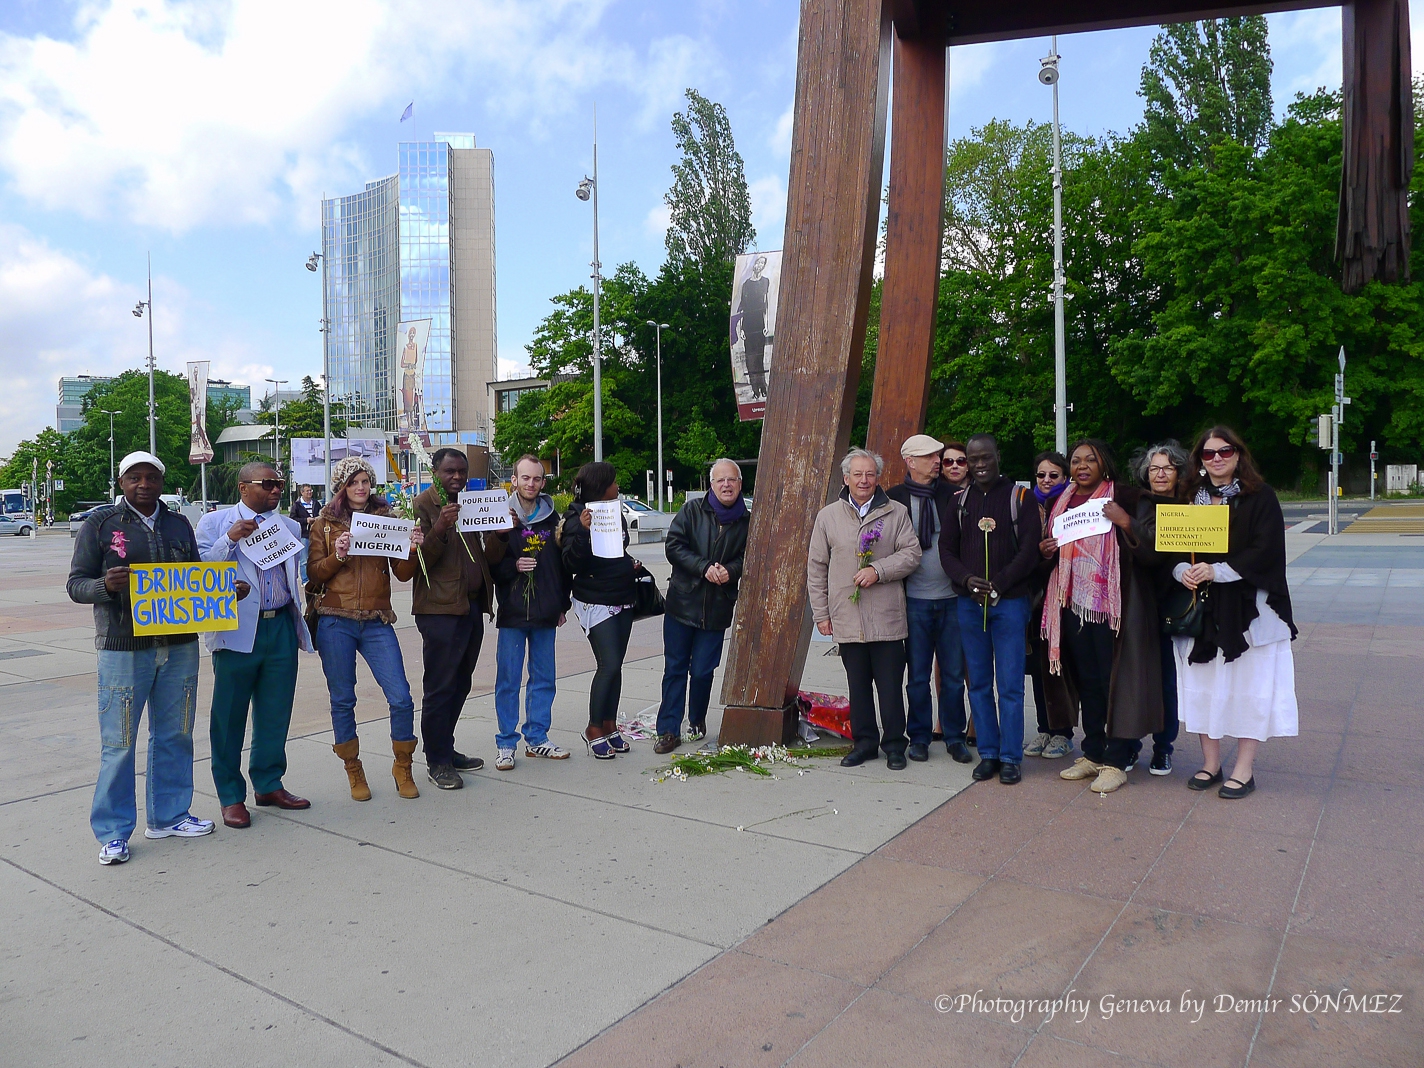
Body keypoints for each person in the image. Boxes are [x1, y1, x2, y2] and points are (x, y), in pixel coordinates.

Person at [68, 452, 231, 865]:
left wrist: (224, 594)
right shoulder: (101, 524)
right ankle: (113, 832)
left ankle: (170, 815)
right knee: (119, 742)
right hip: (123, 648)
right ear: (121, 482)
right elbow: (75, 584)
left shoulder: (178, 524)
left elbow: (194, 578)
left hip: (179, 646)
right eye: (134, 478)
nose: (144, 484)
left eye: (152, 477)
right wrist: (105, 585)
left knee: (176, 732)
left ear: (161, 481)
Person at [1173, 427, 1298, 799]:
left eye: (1224, 451)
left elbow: (1266, 549)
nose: (1217, 459)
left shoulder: (1260, 498)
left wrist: (1218, 571)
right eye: (1208, 454)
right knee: (1202, 687)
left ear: (1238, 454)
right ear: (1199, 460)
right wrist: (1183, 571)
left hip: (1249, 611)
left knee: (1249, 688)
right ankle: (1211, 763)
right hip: (1201, 610)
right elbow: (1170, 547)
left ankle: (1245, 769)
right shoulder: (1186, 499)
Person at [1040, 440, 1163, 795]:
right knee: (1088, 681)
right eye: (1075, 461)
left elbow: (1156, 548)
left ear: (1103, 464)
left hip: (1114, 607)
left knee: (1115, 682)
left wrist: (1125, 522)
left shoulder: (1129, 498)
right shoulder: (1059, 503)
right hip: (1070, 604)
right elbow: (1049, 548)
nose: (1081, 466)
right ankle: (1093, 751)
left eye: (1089, 460)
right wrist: (1044, 550)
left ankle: (1118, 758)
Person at [197, 462, 314, 829]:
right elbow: (197, 569)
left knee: (276, 711)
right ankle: (231, 795)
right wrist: (230, 539)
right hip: (236, 630)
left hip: (279, 625)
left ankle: (268, 783)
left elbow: (297, 573)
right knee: (229, 716)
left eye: (280, 484)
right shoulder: (213, 523)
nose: (277, 490)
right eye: (268, 484)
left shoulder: (290, 526)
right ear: (244, 487)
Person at [306, 456, 426, 800]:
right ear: (341, 487)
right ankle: (353, 768)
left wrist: (413, 549)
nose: (361, 488)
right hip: (335, 618)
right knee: (343, 699)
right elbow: (314, 574)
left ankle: (403, 765)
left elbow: (402, 573)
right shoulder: (324, 524)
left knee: (401, 697)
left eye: (365, 481)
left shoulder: (387, 519)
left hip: (376, 618)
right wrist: (339, 555)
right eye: (353, 482)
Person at [808, 448, 921, 770]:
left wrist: (879, 571)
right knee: (857, 687)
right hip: (846, 616)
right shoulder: (828, 516)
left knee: (889, 687)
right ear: (846, 478)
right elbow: (816, 568)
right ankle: (865, 743)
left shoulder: (896, 512)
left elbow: (912, 555)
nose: (864, 479)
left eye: (870, 474)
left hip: (886, 616)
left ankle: (895, 745)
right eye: (857, 474)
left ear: (878, 478)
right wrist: (821, 614)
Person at [939, 434, 1041, 785]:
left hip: (1009, 603)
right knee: (979, 683)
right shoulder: (959, 502)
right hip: (970, 605)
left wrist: (997, 582)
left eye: (986, 457)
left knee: (1010, 684)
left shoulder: (1020, 498)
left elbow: (1029, 551)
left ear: (998, 456)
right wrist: (968, 581)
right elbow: (946, 551)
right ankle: (989, 753)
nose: (979, 464)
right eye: (973, 459)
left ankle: (1011, 756)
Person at [413, 448, 499, 787]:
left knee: (461, 682)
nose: (458, 478)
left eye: (462, 472)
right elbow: (417, 563)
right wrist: (440, 527)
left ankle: (446, 749)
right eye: (451, 471)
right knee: (440, 686)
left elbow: (486, 556)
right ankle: (436, 761)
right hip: (439, 610)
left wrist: (501, 534)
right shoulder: (422, 505)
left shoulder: (472, 503)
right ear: (435, 470)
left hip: (471, 606)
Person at [654, 459, 751, 754]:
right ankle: (668, 730)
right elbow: (674, 546)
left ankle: (697, 720)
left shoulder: (747, 521)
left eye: (731, 480)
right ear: (711, 484)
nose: (726, 485)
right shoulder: (692, 511)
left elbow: (750, 557)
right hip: (682, 604)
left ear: (740, 483)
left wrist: (731, 571)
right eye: (720, 480)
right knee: (675, 669)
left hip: (717, 608)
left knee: (703, 672)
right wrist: (703, 567)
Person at [887, 434, 969, 764]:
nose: (938, 462)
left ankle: (954, 736)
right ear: (910, 461)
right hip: (913, 600)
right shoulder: (893, 499)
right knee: (917, 676)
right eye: (930, 457)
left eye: (939, 456)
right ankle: (919, 736)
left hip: (951, 598)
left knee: (952, 675)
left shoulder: (955, 496)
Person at [485, 454, 570, 771]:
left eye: (536, 478)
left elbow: (561, 566)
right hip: (513, 610)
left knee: (544, 678)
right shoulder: (501, 516)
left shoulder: (553, 518)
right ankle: (506, 743)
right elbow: (490, 565)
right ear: (514, 480)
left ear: (543, 482)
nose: (530, 484)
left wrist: (563, 603)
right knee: (508, 679)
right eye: (525, 478)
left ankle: (537, 738)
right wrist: (513, 567)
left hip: (546, 609)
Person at [561, 462, 643, 759]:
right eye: (614, 482)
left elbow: (617, 549)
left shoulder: (614, 512)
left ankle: (609, 725)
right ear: (600, 485)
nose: (617, 487)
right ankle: (593, 728)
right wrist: (583, 532)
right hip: (596, 602)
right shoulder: (575, 520)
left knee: (617, 666)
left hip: (622, 596)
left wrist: (628, 563)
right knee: (607, 665)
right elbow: (572, 563)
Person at [1128, 441, 1192, 775]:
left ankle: (1163, 748)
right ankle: (1130, 746)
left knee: (1166, 680)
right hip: (1136, 602)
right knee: (1134, 678)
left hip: (1171, 602)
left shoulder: (1190, 506)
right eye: (1154, 468)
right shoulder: (1137, 503)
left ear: (1179, 471)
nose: (1161, 474)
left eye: (1167, 468)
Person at [1023, 450, 1078, 761]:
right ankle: (1044, 728)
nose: (1046, 481)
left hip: (1061, 598)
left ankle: (1063, 733)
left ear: (1064, 478)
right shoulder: (1027, 504)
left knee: (1059, 668)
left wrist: (1048, 555)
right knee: (1036, 669)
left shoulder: (1070, 506)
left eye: (1053, 475)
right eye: (1041, 475)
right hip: (1032, 599)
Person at [740, 255, 771, 399]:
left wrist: (767, 323)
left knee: (759, 357)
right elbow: (742, 307)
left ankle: (763, 387)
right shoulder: (745, 284)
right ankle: (755, 390)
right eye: (758, 262)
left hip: (760, 323)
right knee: (750, 359)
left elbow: (766, 304)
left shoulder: (765, 282)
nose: (759, 265)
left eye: (762, 263)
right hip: (748, 324)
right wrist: (741, 328)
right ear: (754, 264)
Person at [291, 483, 316, 583]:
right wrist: (306, 520)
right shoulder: (297, 505)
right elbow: (292, 519)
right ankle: (305, 580)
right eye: (307, 491)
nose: (309, 492)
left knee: (314, 558)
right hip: (303, 535)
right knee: (304, 559)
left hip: (315, 535)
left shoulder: (315, 503)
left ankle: (314, 578)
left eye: (310, 490)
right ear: (302, 492)